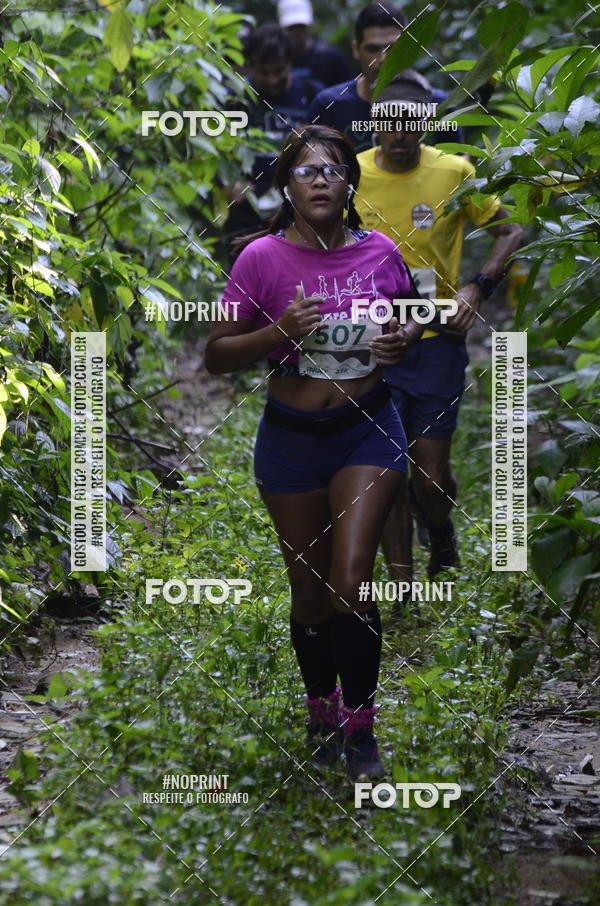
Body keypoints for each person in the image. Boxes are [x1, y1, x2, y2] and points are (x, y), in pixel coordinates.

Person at [206, 125, 424, 780]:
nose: (322, 180)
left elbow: (412, 316)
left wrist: (400, 339)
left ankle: (361, 730)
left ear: (351, 182)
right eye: (306, 171)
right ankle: (320, 713)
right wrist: (280, 332)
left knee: (350, 581)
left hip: (368, 429)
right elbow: (215, 356)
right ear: (287, 187)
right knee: (308, 594)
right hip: (291, 440)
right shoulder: (261, 260)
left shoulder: (382, 250)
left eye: (333, 169)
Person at [354, 71, 523, 595]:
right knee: (385, 470)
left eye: (413, 123)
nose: (402, 134)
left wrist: (478, 287)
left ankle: (441, 527)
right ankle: (399, 587)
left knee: (429, 476)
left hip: (435, 341)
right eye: (391, 123)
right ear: (376, 123)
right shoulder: (348, 174)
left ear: (427, 122)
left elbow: (510, 229)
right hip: (368, 344)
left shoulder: (456, 171)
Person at [221, 24, 324, 247]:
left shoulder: (313, 94)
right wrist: (228, 180)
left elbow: (331, 151)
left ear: (290, 63)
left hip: (299, 208)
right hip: (246, 211)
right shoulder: (234, 100)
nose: (271, 79)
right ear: (251, 66)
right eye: (264, 72)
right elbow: (214, 149)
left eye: (278, 71)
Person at [305, 3, 460, 152]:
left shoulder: (438, 105)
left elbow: (457, 167)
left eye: (393, 49)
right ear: (356, 49)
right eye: (373, 49)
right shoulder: (329, 106)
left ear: (409, 48)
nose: (383, 59)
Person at [277, 0, 353, 87]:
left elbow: (347, 92)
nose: (296, 32)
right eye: (291, 28)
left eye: (300, 26)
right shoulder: (275, 61)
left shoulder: (332, 58)